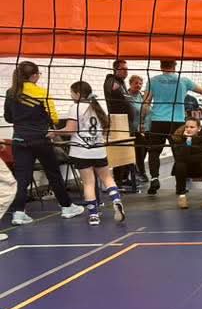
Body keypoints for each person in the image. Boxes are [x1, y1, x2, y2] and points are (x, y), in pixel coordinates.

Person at [3, 61, 85, 225]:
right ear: (34, 75)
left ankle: (18, 213)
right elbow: (53, 118)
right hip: (40, 139)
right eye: (39, 74)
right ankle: (67, 207)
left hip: (19, 140)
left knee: (22, 177)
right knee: (53, 173)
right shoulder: (41, 92)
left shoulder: (11, 92)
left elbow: (8, 118)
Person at [50, 82, 126, 225]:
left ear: (78, 94)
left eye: (71, 92)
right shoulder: (96, 106)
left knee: (88, 183)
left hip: (82, 151)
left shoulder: (75, 107)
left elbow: (71, 130)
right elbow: (105, 129)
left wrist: (54, 132)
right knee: (107, 178)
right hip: (98, 150)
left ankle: (94, 215)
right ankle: (116, 200)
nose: (70, 95)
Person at [143, 59, 202, 196]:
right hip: (177, 121)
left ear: (161, 66)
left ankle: (154, 178)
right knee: (179, 154)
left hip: (158, 121)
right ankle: (180, 187)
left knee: (154, 151)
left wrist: (147, 117)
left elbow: (146, 102)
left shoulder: (153, 80)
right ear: (175, 66)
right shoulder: (184, 80)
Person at [171, 116, 202, 208]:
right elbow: (180, 157)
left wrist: (188, 158)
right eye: (187, 127)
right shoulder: (180, 137)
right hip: (190, 167)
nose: (188, 129)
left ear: (199, 128)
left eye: (192, 127)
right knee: (179, 165)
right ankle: (182, 196)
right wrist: (188, 140)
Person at [103, 58, 137, 191]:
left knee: (127, 151)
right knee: (120, 151)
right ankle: (118, 180)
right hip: (119, 123)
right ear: (115, 69)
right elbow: (112, 90)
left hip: (127, 122)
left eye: (127, 69)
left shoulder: (121, 83)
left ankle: (124, 178)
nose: (126, 71)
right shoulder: (111, 81)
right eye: (123, 69)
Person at [128, 74, 150, 183]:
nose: (138, 85)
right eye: (136, 83)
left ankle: (138, 171)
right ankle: (141, 172)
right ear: (130, 83)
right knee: (139, 151)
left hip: (145, 127)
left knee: (145, 148)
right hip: (133, 128)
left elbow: (146, 109)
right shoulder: (127, 96)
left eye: (140, 83)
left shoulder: (142, 96)